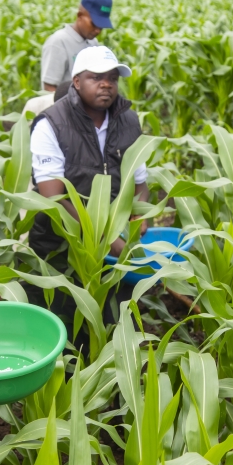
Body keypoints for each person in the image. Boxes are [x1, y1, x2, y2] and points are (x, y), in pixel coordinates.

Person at [26, 46, 148, 351]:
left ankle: (116, 392)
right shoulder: (51, 124)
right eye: (96, 77)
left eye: (112, 77)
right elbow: (52, 196)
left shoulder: (129, 121)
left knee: (117, 329)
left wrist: (139, 219)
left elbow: (140, 180)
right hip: (60, 248)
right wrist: (109, 238)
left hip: (112, 249)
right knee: (65, 338)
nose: (106, 84)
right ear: (77, 82)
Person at [25, 0, 114, 120]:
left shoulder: (93, 44)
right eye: (94, 24)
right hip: (63, 117)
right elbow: (49, 89)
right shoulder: (58, 42)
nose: (98, 31)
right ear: (80, 16)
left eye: (101, 27)